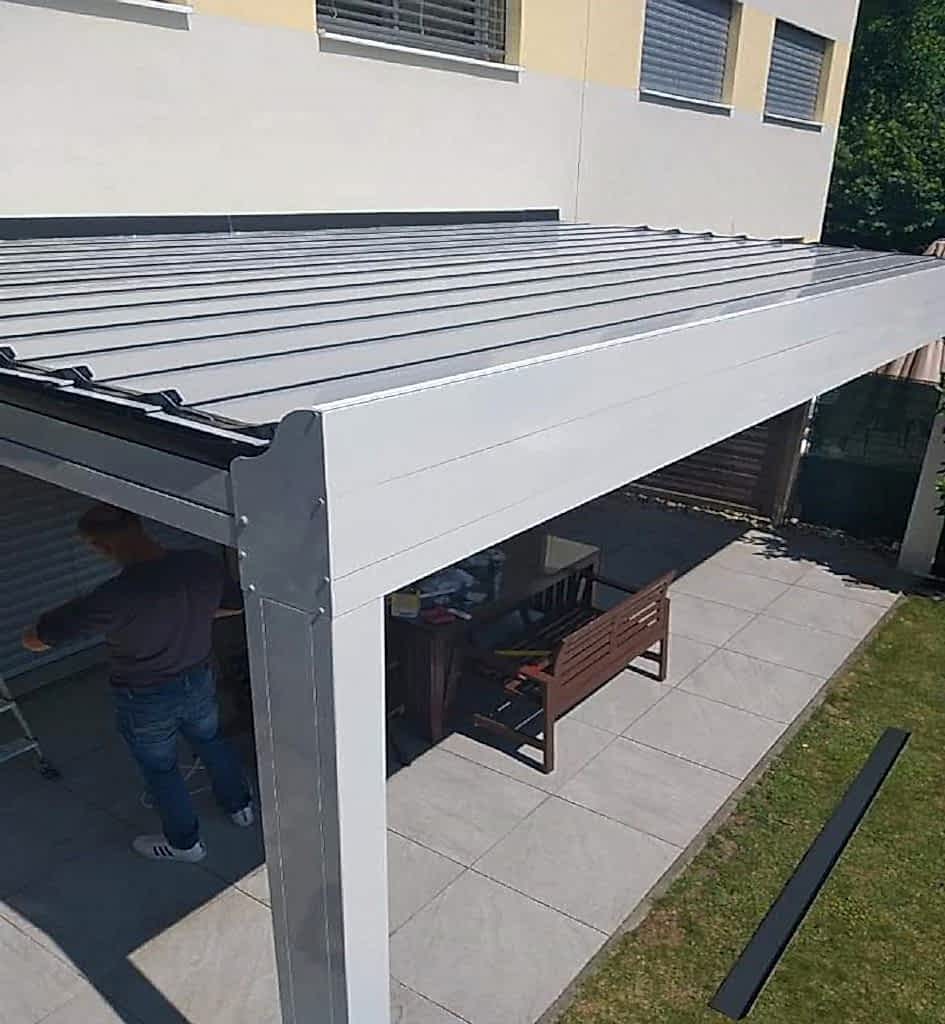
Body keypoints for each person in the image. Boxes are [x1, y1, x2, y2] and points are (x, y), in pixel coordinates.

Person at [21, 504, 253, 863]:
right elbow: (236, 605)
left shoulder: (113, 597)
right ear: (138, 523)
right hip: (197, 679)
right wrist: (188, 615)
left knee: (161, 768)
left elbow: (34, 641)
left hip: (145, 696)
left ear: (101, 546)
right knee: (210, 741)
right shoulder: (199, 563)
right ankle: (240, 808)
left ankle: (185, 844)